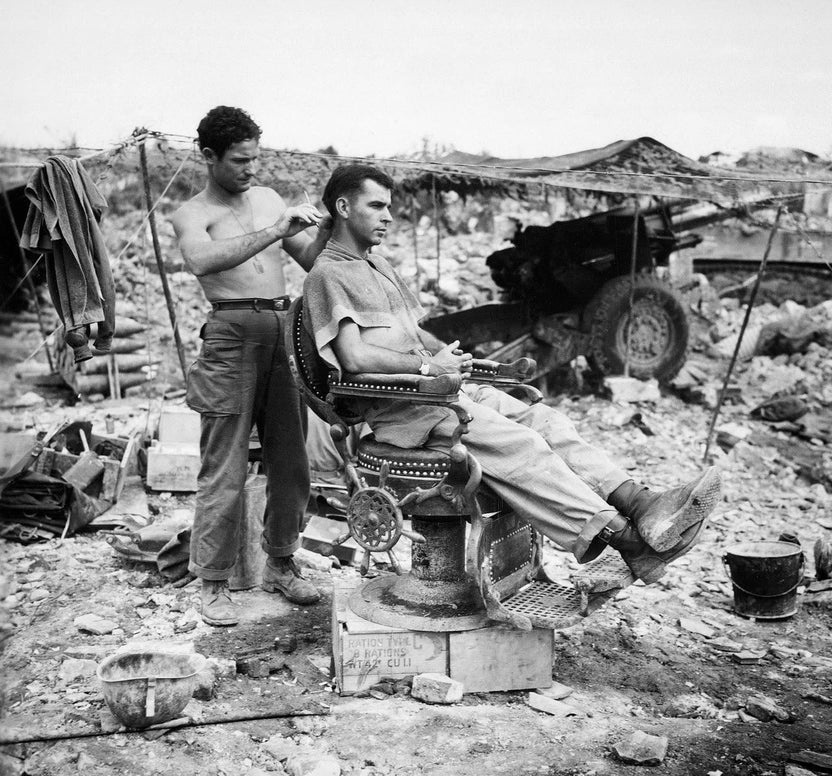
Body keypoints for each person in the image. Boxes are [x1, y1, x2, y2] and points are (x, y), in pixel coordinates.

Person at [302, 163, 721, 582]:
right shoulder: (328, 274)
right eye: (377, 206)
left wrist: (455, 357)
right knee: (523, 444)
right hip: (406, 409)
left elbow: (414, 334)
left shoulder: (376, 266)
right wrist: (429, 366)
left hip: (443, 391)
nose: (389, 217)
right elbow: (353, 357)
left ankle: (640, 503)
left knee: (546, 420)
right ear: (342, 207)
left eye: (389, 207)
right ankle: (627, 541)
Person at [172, 106, 331, 626]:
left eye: (255, 159)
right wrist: (275, 230)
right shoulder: (192, 213)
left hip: (283, 329)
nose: (250, 169)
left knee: (292, 461)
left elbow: (308, 260)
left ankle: (281, 563)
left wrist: (328, 228)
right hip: (230, 335)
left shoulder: (266, 198)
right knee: (226, 468)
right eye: (240, 160)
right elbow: (201, 260)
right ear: (208, 156)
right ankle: (213, 583)